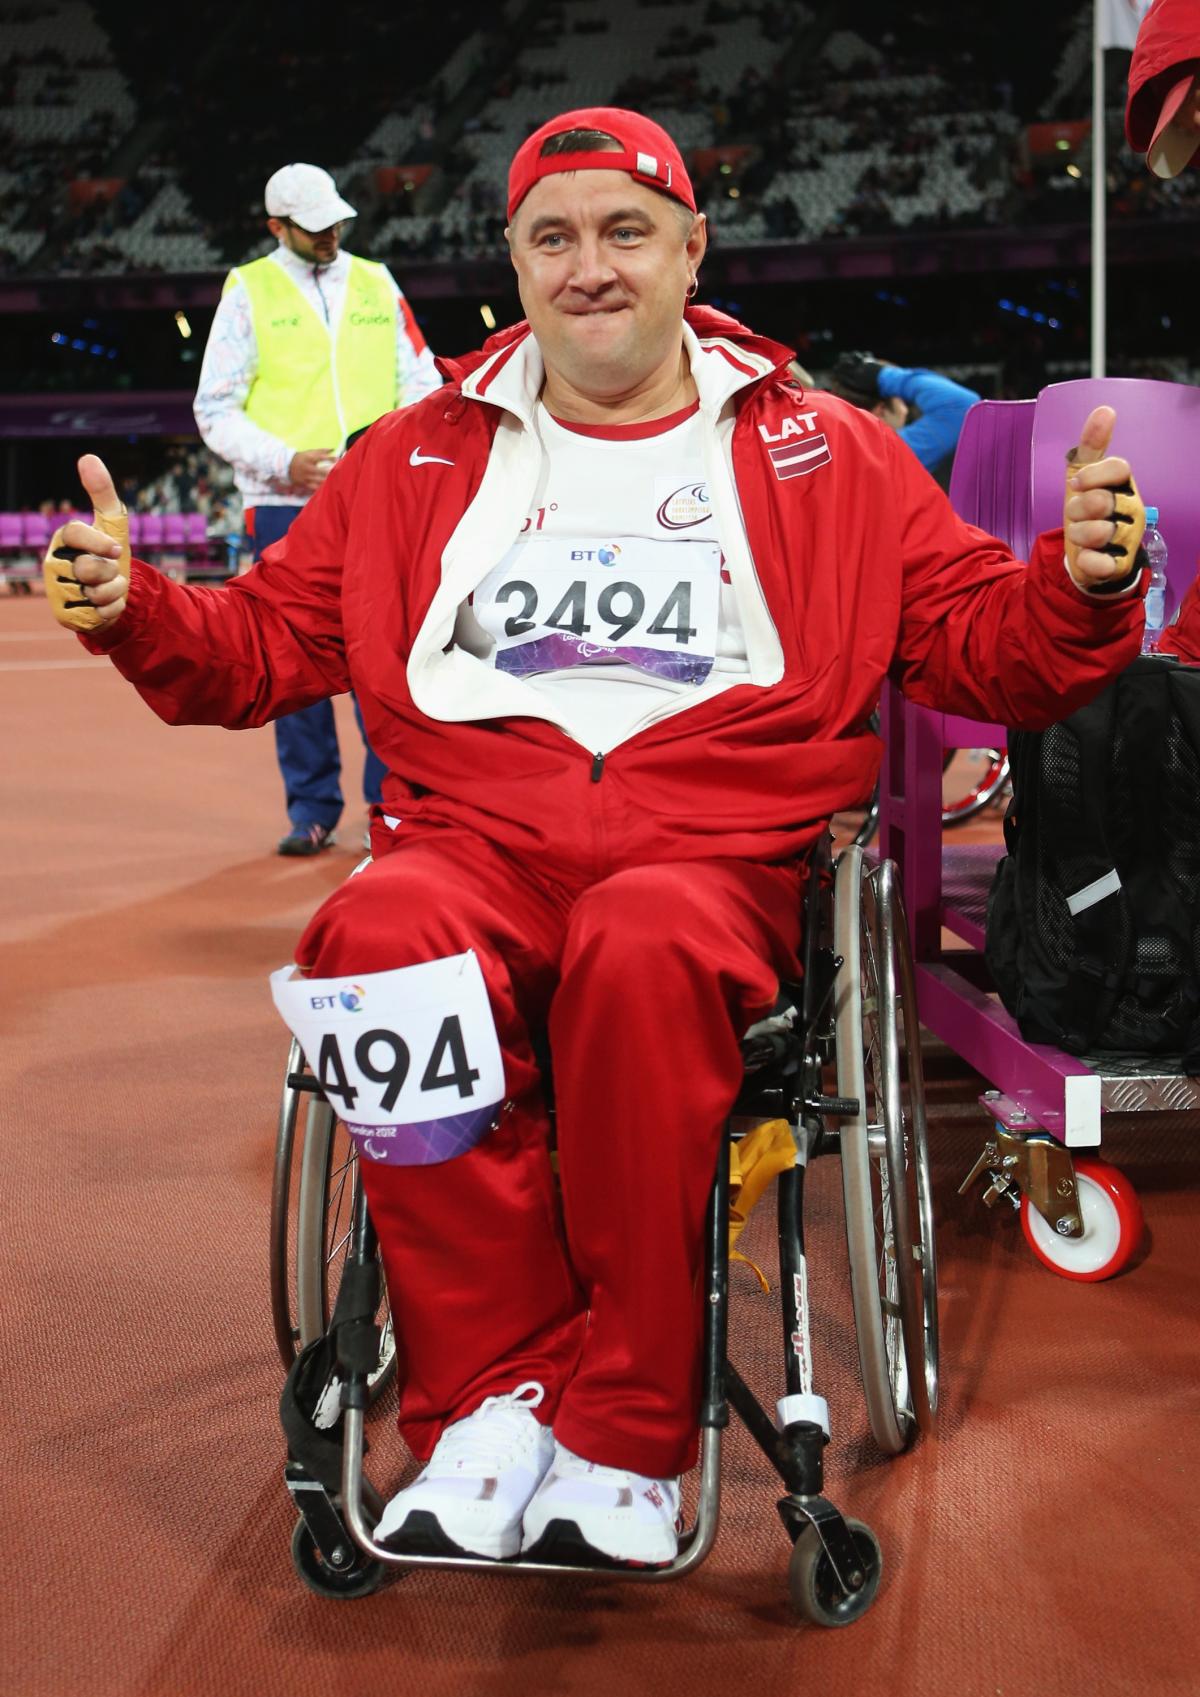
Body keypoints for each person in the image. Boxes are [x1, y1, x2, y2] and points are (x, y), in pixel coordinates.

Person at [47, 107, 1147, 1570]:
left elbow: (974, 640)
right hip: (474, 849)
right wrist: (136, 606)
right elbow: (257, 646)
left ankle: (628, 1428)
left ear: (692, 248)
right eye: (552, 237)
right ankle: (489, 1397)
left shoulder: (835, 450)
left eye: (624, 231)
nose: (590, 268)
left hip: (705, 858)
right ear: (513, 261)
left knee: (639, 947)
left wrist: (1077, 588)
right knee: (373, 941)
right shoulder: (412, 459)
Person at [194, 162, 442, 855]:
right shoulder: (247, 289)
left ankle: (393, 809)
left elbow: (420, 380)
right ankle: (311, 809)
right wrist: (283, 461)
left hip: (376, 498)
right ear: (277, 228)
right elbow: (213, 407)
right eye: (314, 227)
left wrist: (391, 456)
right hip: (283, 501)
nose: (332, 233)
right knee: (292, 662)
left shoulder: (375, 280)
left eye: (336, 220)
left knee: (387, 660)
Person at [827, 351, 980, 487]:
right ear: (881, 410)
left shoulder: (836, 456)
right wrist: (880, 375)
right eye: (902, 399)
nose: (906, 409)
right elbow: (963, 405)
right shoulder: (889, 451)